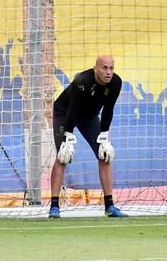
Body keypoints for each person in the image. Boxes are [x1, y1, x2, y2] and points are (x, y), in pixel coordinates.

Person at [48, 55, 127, 218]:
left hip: (89, 116)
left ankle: (109, 206)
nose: (108, 72)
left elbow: (108, 110)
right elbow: (72, 109)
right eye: (104, 68)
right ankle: (54, 207)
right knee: (63, 156)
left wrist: (104, 137)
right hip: (65, 113)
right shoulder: (82, 81)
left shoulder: (116, 83)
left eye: (111, 68)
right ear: (95, 69)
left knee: (104, 155)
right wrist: (68, 137)